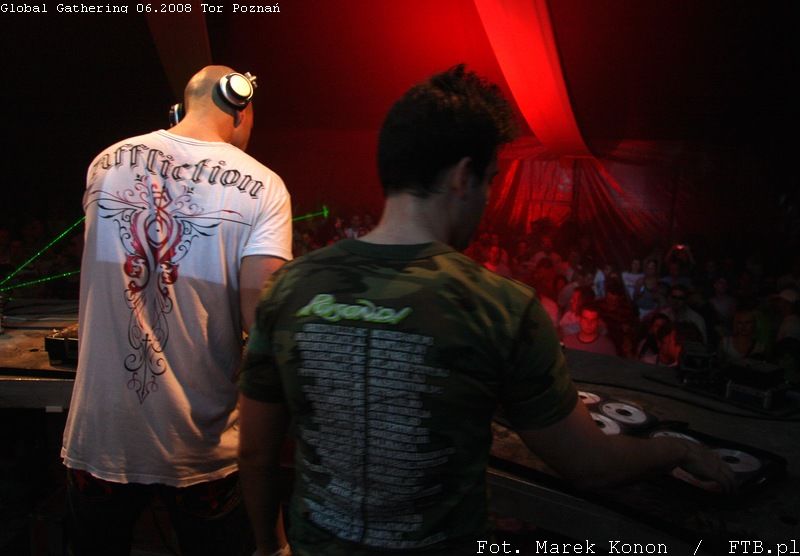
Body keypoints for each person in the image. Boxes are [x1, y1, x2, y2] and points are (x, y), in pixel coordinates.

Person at [237, 65, 734, 556]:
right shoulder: (501, 307)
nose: (489, 198)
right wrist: (676, 448)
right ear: (461, 177)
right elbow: (590, 464)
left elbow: (257, 451)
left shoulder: (289, 288)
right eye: (490, 180)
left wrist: (268, 545)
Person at [61, 65, 293, 555]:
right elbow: (263, 324)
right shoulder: (265, 186)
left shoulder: (106, 162)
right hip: (201, 446)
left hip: (101, 434)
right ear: (240, 104)